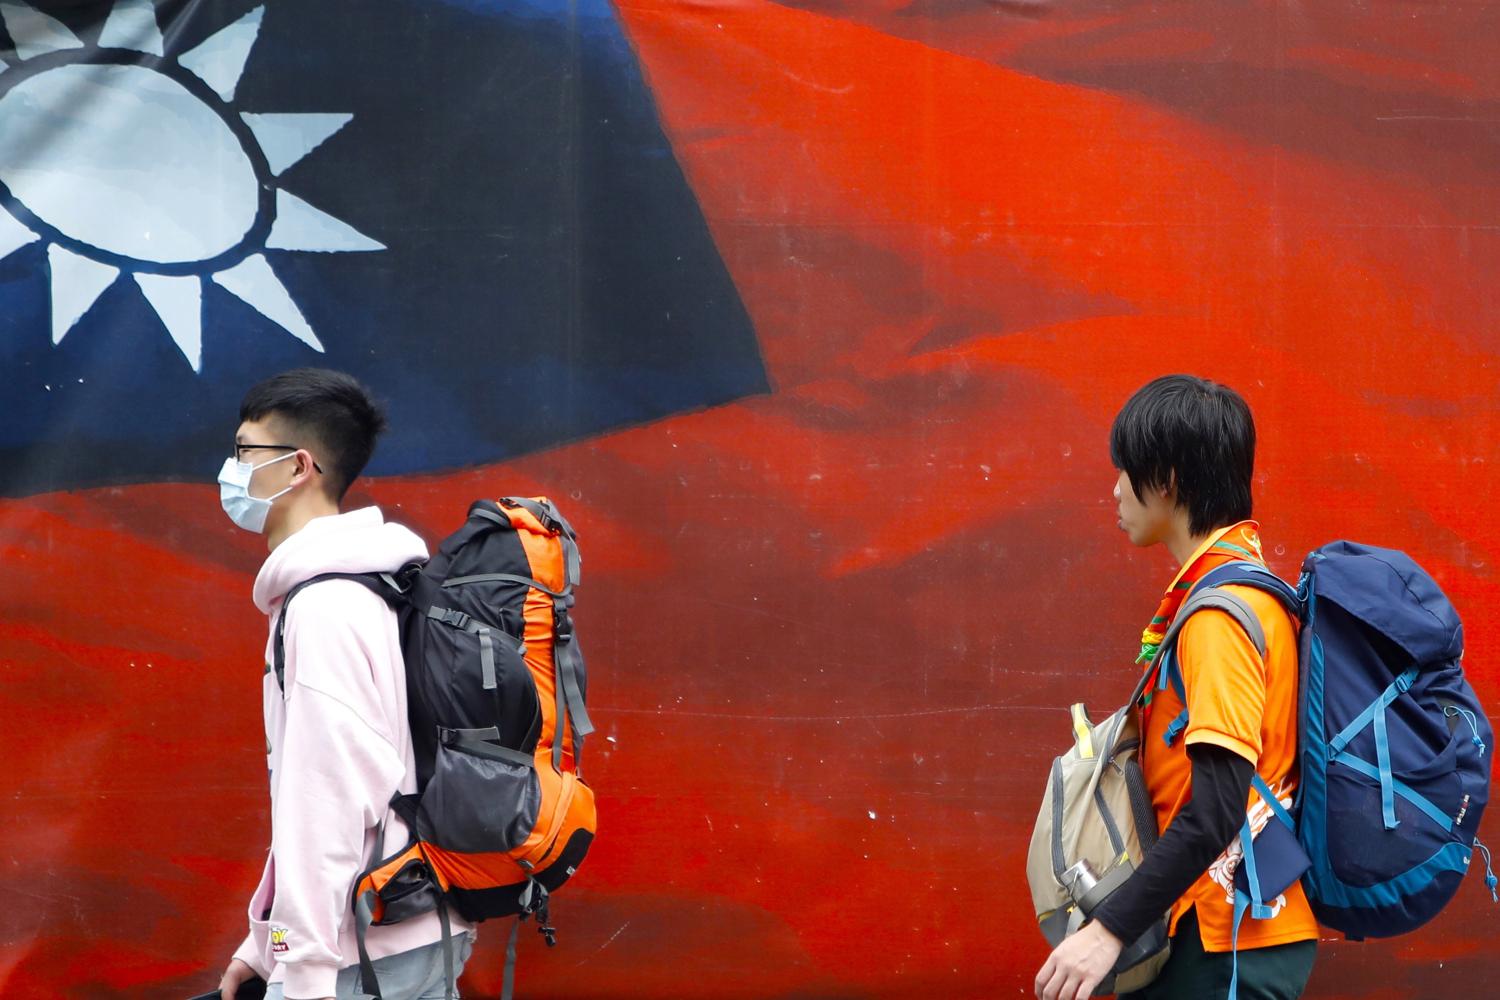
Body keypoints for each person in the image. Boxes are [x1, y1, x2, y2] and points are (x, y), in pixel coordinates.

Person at [1034, 375, 1317, 1000]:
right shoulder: (1252, 594)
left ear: (1165, 478)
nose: (1114, 489)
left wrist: (1110, 927)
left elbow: (1218, 804)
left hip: (1224, 939)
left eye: (1124, 470)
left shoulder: (1219, 616)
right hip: (1231, 932)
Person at [216, 368, 473, 1000]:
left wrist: (298, 969)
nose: (230, 469)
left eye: (245, 451)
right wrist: (264, 944)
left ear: (298, 466)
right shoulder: (367, 586)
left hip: (360, 954)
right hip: (402, 928)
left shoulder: (327, 606)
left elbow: (325, 802)